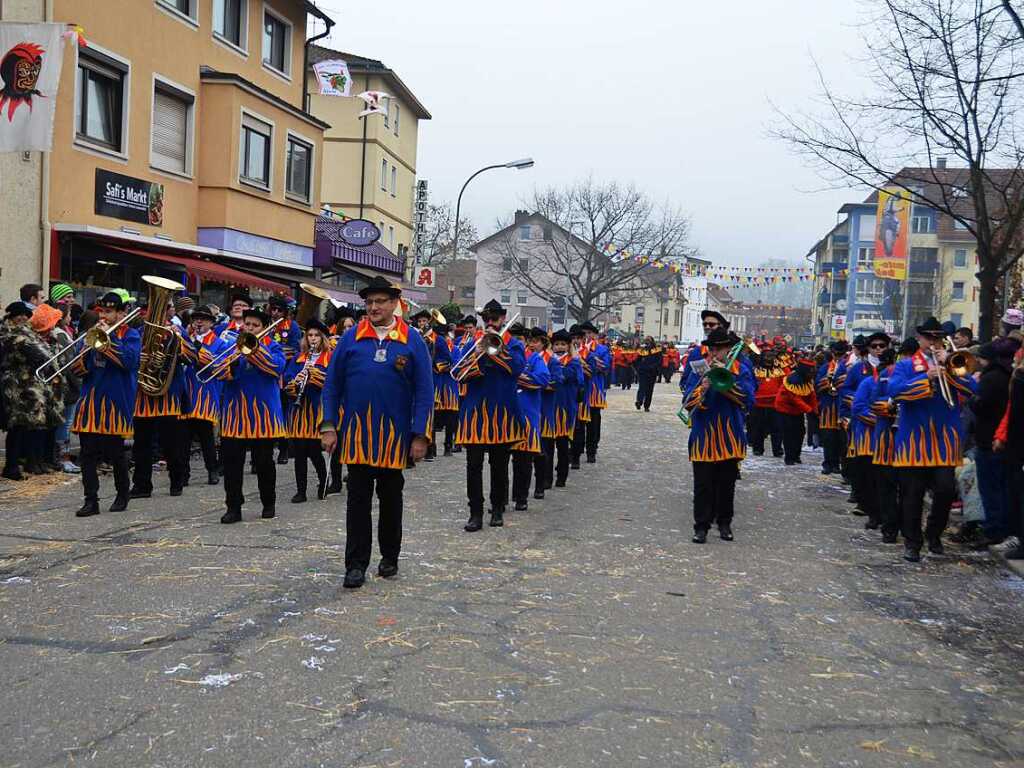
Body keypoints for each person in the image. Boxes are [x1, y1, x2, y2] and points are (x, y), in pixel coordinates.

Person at [320, 277, 433, 588]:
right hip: (356, 435)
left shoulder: (412, 340)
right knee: (357, 501)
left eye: (380, 301)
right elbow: (331, 386)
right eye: (369, 302)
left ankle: (389, 557)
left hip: (394, 437)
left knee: (390, 499)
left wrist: (420, 435)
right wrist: (328, 426)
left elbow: (424, 390)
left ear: (394, 303)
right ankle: (355, 565)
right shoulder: (350, 338)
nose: (373, 307)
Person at [888, 317, 976, 562]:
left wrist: (947, 369)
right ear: (920, 339)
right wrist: (926, 377)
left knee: (946, 490)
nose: (933, 342)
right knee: (912, 495)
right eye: (929, 337)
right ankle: (912, 543)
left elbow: (972, 391)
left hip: (944, 441)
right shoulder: (906, 365)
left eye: (937, 338)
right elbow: (895, 392)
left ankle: (934, 533)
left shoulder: (951, 363)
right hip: (914, 441)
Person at [210, 307, 287, 524]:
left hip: (263, 416)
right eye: (247, 324)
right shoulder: (230, 345)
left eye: (255, 325)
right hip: (235, 415)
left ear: (264, 329)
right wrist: (231, 362)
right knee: (232, 464)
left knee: (263, 463)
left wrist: (253, 351)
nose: (250, 328)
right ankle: (233, 507)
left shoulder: (274, 346)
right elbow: (217, 371)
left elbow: (276, 368)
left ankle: (268, 502)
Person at [454, 299, 525, 530]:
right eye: (487, 320)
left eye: (494, 319)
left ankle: (496, 509)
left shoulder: (513, 344)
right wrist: (478, 352)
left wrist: (495, 351)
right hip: (475, 413)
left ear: (503, 319)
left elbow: (516, 369)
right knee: (473, 466)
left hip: (502, 413)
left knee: (499, 465)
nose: (491, 323)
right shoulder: (473, 343)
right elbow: (459, 374)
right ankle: (475, 512)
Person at [681, 328, 756, 543]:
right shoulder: (699, 369)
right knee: (702, 485)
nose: (715, 353)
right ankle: (701, 527)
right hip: (703, 435)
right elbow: (687, 402)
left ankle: (725, 524)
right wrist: (702, 389)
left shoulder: (740, 369)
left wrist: (727, 383)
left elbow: (749, 400)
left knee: (726, 484)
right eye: (712, 349)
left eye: (720, 349)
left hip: (729, 435)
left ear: (729, 349)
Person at [69, 292, 140, 516]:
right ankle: (91, 500)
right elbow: (79, 369)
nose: (104, 316)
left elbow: (129, 362)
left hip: (115, 401)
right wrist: (87, 346)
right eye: (102, 311)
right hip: (91, 400)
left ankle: (122, 493)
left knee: (115, 453)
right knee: (87, 454)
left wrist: (108, 341)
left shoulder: (131, 335)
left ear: (121, 313)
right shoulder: (91, 335)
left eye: (109, 312)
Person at [129, 306, 193, 500]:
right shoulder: (138, 333)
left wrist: (178, 340)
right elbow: (130, 359)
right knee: (142, 444)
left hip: (168, 393)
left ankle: (177, 480)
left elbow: (192, 357)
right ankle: (142, 485)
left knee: (171, 442)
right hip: (143, 395)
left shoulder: (176, 331)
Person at [970, 338, 1016, 549]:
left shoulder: (989, 379)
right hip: (1000, 439)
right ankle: (999, 528)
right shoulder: (1008, 376)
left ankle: (992, 530)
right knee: (1000, 488)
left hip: (988, 440)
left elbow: (980, 406)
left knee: (990, 488)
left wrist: (971, 398)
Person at [1, 301, 51, 479]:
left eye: (25, 315)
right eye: (18, 315)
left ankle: (21, 464)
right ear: (12, 317)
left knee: (24, 426)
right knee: (17, 426)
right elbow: (41, 356)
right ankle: (11, 466)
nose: (22, 318)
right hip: (15, 385)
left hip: (27, 384)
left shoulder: (25, 333)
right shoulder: (13, 335)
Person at [284, 320, 331, 503]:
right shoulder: (299, 357)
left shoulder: (329, 357)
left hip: (315, 409)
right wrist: (296, 382)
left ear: (323, 338)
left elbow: (332, 382)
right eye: (310, 335)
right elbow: (287, 379)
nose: (313, 339)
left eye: (316, 335)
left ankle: (323, 481)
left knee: (313, 450)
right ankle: (300, 490)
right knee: (299, 451)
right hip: (299, 409)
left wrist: (315, 376)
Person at [847, 333, 890, 520]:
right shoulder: (858, 369)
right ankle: (864, 502)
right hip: (864, 426)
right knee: (864, 468)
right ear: (869, 348)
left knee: (882, 474)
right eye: (875, 346)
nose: (878, 349)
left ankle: (881, 509)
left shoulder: (894, 370)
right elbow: (846, 390)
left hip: (888, 431)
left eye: (882, 345)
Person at [182, 305, 225, 486]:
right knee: (183, 439)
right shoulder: (187, 339)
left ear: (211, 323)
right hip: (187, 391)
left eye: (203, 319)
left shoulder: (219, 342)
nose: (199, 322)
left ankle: (212, 470)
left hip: (206, 392)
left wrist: (200, 351)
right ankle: (183, 474)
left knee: (206, 437)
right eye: (196, 318)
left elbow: (218, 365)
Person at [510, 324, 551, 511]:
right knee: (500, 462)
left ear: (525, 341)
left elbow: (542, 380)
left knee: (524, 460)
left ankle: (521, 498)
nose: (516, 342)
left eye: (520, 339)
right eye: (513, 338)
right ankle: (500, 500)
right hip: (505, 415)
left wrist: (516, 377)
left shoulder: (534, 358)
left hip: (526, 414)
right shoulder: (501, 356)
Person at [774, 354, 818, 466]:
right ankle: (789, 457)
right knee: (788, 434)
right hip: (785, 410)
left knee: (800, 433)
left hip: (797, 411)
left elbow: (812, 396)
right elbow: (795, 399)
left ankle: (796, 455)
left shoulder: (808, 380)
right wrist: (809, 410)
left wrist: (816, 411)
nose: (812, 374)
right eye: (810, 371)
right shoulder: (792, 380)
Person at [534, 328, 562, 494]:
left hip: (545, 407)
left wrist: (538, 383)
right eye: (531, 341)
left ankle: (546, 479)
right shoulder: (528, 357)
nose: (533, 344)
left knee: (546, 448)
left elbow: (557, 381)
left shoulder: (551, 360)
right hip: (531, 408)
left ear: (544, 343)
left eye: (536, 341)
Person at [816, 342, 847, 474]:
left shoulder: (848, 366)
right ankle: (828, 463)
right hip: (828, 407)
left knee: (842, 439)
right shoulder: (825, 367)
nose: (838, 356)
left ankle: (838, 464)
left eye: (841, 354)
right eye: (836, 353)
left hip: (842, 407)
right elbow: (817, 383)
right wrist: (827, 382)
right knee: (828, 438)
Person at [581, 322, 610, 463]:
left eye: (589, 333)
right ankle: (576, 449)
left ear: (594, 335)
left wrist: (590, 359)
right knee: (578, 424)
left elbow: (605, 365)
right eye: (584, 333)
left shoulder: (602, 349)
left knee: (593, 423)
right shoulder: (575, 349)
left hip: (594, 391)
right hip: (580, 391)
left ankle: (592, 449)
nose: (586, 336)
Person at [633, 336, 661, 412]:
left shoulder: (656, 350)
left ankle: (646, 406)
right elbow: (636, 361)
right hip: (643, 372)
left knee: (649, 390)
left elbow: (659, 361)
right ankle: (639, 401)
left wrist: (654, 368)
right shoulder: (641, 350)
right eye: (646, 340)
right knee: (642, 387)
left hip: (652, 373)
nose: (647, 342)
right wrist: (638, 368)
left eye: (649, 340)